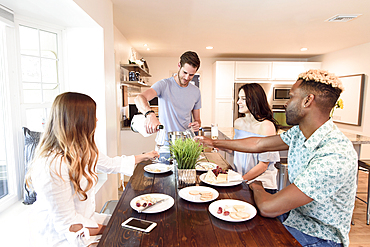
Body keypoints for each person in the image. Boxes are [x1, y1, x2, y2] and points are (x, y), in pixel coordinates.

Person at [195, 69, 357, 247]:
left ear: (307, 100)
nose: (286, 104)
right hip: (294, 217)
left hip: (319, 237)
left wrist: (256, 185)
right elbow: (258, 144)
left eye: (291, 97)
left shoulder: (335, 153)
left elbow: (268, 207)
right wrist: (214, 142)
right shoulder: (299, 133)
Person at [25, 92, 158, 247]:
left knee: (136, 224)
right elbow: (69, 225)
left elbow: (111, 164)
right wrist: (113, 227)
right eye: (92, 115)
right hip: (63, 238)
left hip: (86, 221)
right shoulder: (52, 165)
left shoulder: (81, 149)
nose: (96, 119)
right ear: (79, 121)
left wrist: (145, 156)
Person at [134, 51, 201, 153]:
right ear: (179, 66)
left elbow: (198, 120)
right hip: (165, 145)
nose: (187, 77)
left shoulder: (196, 92)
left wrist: (197, 124)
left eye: (191, 75)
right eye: (185, 72)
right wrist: (150, 115)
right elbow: (139, 98)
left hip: (186, 145)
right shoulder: (164, 85)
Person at [234, 83, 280, 194]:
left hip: (262, 185)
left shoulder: (266, 127)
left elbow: (263, 165)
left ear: (255, 100)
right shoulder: (238, 123)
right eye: (239, 98)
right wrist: (213, 144)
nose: (238, 102)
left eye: (243, 99)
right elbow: (236, 150)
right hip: (243, 180)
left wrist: (240, 181)